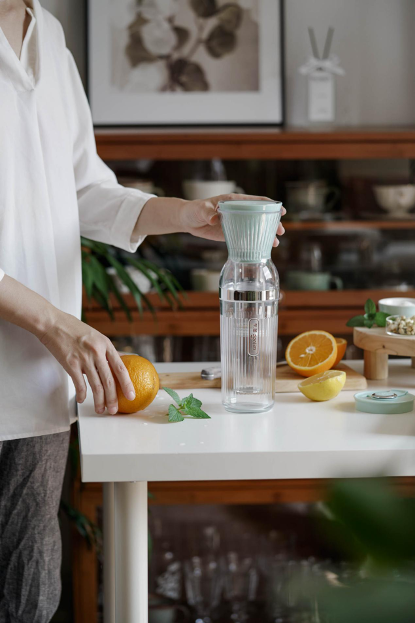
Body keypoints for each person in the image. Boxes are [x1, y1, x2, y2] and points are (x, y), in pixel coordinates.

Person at [0, 0, 285, 621]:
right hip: (47, 345)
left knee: (27, 596)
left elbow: (84, 188)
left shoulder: (48, 33)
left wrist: (186, 214)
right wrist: (54, 323)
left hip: (39, 383)